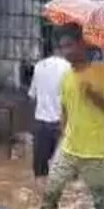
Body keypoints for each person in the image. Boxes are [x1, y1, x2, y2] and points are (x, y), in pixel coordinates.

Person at [40, 26, 104, 209]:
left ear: (82, 45)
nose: (66, 52)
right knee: (50, 194)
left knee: (103, 207)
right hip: (69, 148)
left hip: (94, 152)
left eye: (69, 45)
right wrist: (62, 138)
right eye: (62, 47)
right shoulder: (67, 76)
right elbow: (66, 110)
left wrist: (94, 95)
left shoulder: (103, 74)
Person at [27, 46, 71, 194]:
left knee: (40, 169)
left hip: (40, 123)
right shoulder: (69, 68)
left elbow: (32, 95)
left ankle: (42, 200)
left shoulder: (39, 66)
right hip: (61, 124)